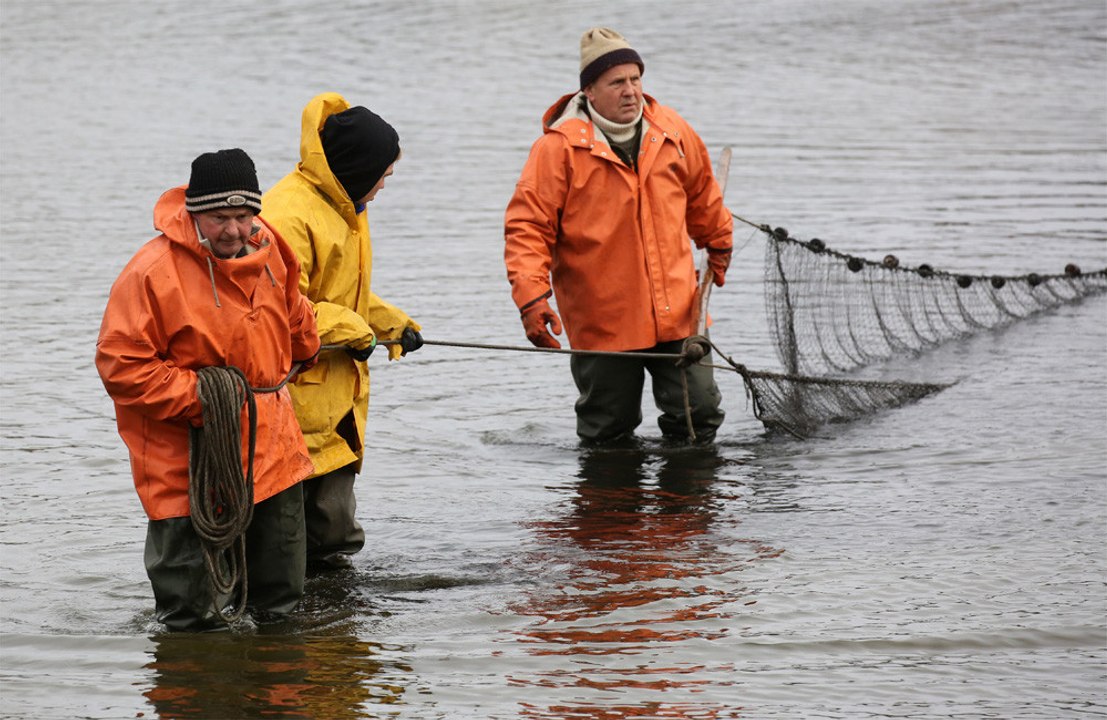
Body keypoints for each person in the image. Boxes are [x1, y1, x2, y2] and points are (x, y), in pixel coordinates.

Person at [95, 148, 322, 631]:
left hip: (273, 450)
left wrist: (307, 347)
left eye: (243, 216)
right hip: (185, 463)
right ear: (194, 212)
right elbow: (121, 364)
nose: (234, 230)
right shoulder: (151, 272)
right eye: (220, 217)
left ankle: (277, 697)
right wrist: (204, 399)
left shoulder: (273, 252)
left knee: (281, 605)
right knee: (190, 618)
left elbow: (296, 315)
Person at [504, 27, 733, 445]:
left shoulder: (673, 131)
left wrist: (718, 242)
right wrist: (532, 300)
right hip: (602, 320)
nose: (631, 91)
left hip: (679, 309)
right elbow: (528, 230)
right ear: (589, 91)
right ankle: (611, 508)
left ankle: (686, 507)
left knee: (698, 415)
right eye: (617, 82)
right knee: (607, 430)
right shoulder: (556, 151)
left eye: (635, 79)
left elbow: (703, 194)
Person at [262, 92, 423, 575]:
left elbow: (343, 294)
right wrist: (353, 328)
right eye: (383, 176)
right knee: (290, 528)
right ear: (357, 168)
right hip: (294, 393)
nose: (382, 187)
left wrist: (390, 323)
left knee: (332, 528)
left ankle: (336, 627)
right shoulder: (286, 214)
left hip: (335, 397)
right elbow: (282, 308)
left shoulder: (347, 205)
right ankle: (293, 618)